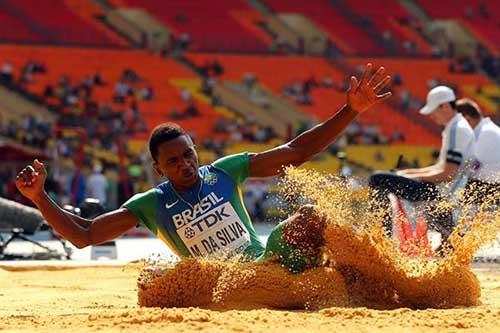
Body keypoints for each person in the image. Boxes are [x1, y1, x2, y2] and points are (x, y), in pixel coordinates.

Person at [15, 64, 391, 273]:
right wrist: (40, 197)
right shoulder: (151, 203)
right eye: (174, 161)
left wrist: (351, 111)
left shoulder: (225, 171)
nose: (185, 165)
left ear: (196, 152)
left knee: (310, 216)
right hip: (220, 284)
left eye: (188, 155)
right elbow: (84, 235)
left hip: (266, 263)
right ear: (159, 169)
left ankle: (365, 275)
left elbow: (295, 151)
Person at [369, 86, 475, 245]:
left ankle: (381, 241)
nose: (431, 116)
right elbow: (440, 167)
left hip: (441, 192)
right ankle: (448, 237)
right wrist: (408, 173)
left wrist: (413, 176)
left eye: (433, 111)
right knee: (392, 175)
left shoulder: (456, 129)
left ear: (444, 106)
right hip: (445, 190)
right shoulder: (455, 127)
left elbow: (447, 174)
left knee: (377, 179)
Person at [456, 98, 500, 206]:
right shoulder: (486, 129)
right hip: (487, 187)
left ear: (467, 119)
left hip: (491, 190)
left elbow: (471, 165)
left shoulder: (486, 133)